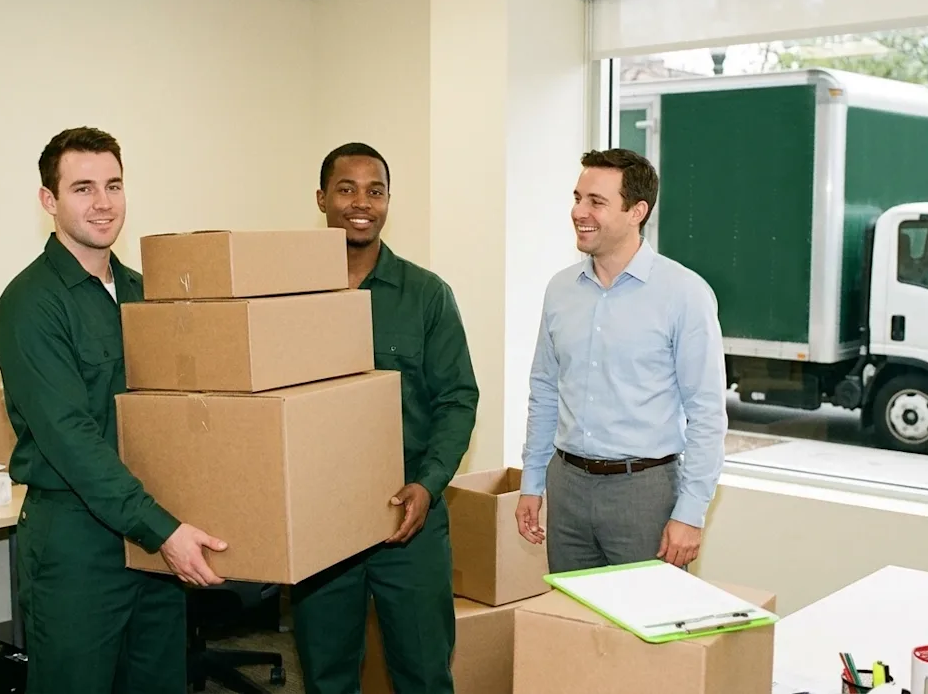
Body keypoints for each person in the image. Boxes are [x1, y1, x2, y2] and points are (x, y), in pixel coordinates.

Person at [0, 126, 228, 694]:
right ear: (49, 200)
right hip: (78, 539)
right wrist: (162, 530)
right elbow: (71, 439)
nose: (103, 203)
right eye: (83, 188)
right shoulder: (29, 306)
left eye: (113, 185)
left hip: (153, 526)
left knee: (158, 681)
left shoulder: (145, 293)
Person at [291, 142, 479, 694]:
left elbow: (457, 399)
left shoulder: (426, 295)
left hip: (408, 516)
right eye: (346, 189)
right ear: (321, 198)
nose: (361, 203)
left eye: (375, 191)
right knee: (326, 675)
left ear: (389, 201)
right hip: (320, 520)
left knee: (423, 673)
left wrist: (429, 483)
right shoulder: (288, 294)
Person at [514, 147, 727, 573]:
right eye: (578, 198)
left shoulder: (684, 293)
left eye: (596, 202)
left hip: (644, 493)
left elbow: (706, 412)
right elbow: (545, 390)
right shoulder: (560, 290)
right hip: (567, 486)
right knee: (569, 612)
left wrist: (690, 513)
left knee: (648, 616)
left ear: (637, 211)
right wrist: (532, 482)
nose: (579, 212)